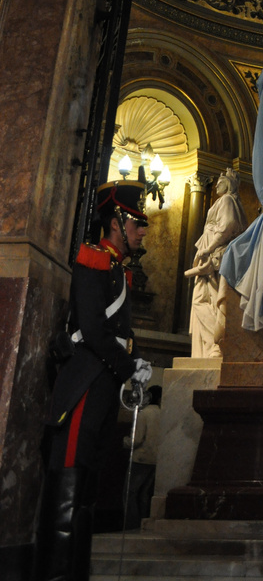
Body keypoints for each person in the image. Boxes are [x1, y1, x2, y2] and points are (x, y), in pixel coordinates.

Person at [33, 180, 152, 581]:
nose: (141, 231)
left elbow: (118, 335)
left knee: (87, 489)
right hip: (84, 383)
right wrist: (128, 365)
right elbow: (94, 331)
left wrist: (136, 361)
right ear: (117, 221)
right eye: (136, 222)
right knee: (69, 479)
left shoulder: (118, 268)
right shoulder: (94, 260)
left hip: (104, 383)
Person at [185, 169, 246, 357]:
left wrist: (209, 247)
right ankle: (213, 344)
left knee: (205, 300)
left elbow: (227, 225)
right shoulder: (225, 201)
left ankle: (218, 342)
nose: (217, 184)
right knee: (205, 299)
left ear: (229, 184)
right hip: (211, 255)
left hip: (215, 256)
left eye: (221, 181)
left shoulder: (227, 200)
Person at [123, 385, 162, 529]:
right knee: (145, 495)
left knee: (130, 494)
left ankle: (131, 525)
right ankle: (144, 525)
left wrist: (125, 441)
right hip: (155, 460)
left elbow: (137, 439)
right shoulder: (163, 413)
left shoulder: (144, 413)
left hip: (140, 459)